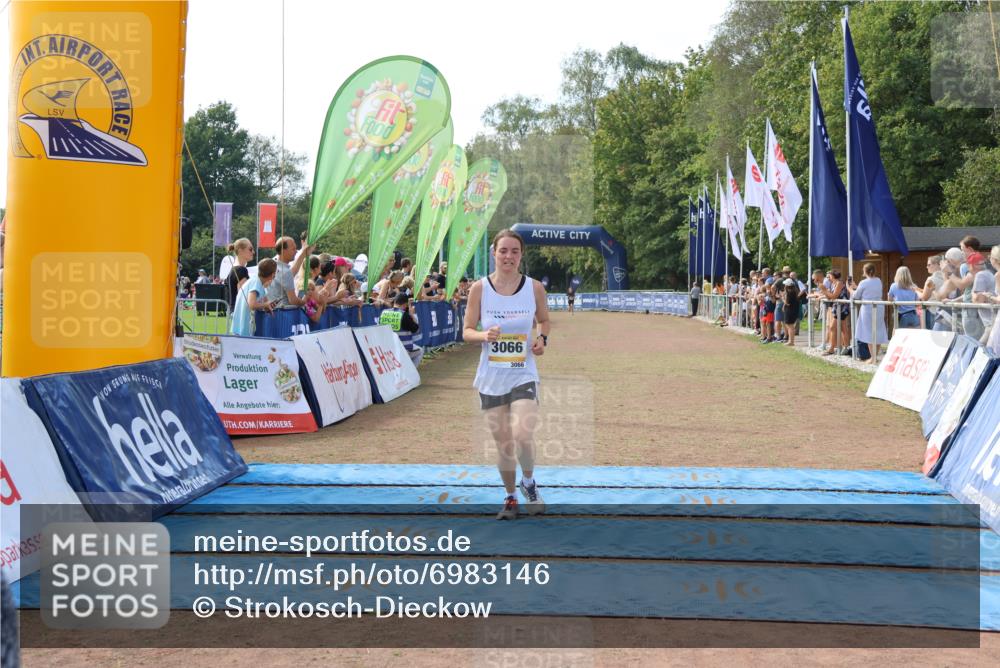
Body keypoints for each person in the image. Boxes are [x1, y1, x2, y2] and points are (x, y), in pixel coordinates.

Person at [463, 229, 550, 521]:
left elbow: (545, 320)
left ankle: (529, 483)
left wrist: (542, 340)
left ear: (521, 255)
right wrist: (484, 335)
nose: (508, 256)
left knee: (523, 435)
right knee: (504, 444)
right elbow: (466, 331)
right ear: (494, 253)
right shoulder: (479, 288)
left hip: (523, 373)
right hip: (491, 377)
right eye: (503, 251)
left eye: (514, 251)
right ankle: (511, 496)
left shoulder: (534, 287)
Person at [850, 263, 888, 363]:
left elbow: (856, 296)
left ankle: (873, 357)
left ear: (865, 271)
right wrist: (857, 286)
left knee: (869, 331)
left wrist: (850, 289)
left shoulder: (864, 282)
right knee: (878, 329)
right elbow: (870, 290)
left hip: (867, 308)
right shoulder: (878, 280)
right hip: (879, 307)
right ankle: (874, 356)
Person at [231, 258, 276, 336]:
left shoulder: (256, 281)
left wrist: (266, 306)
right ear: (272, 274)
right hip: (243, 328)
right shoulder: (256, 282)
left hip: (242, 326)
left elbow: (260, 302)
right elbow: (252, 304)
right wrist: (266, 304)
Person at [267, 236, 312, 309]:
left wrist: (304, 253)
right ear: (283, 250)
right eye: (293, 249)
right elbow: (293, 300)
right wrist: (304, 301)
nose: (296, 251)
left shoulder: (273, 265)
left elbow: (292, 272)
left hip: (272, 313)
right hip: (283, 315)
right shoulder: (285, 272)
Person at [381, 292, 422, 365]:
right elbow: (416, 330)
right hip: (403, 348)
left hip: (386, 348)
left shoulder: (383, 313)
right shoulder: (404, 315)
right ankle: (411, 373)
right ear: (406, 304)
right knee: (420, 351)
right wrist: (412, 315)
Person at [223, 238, 254, 311]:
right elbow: (243, 297)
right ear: (240, 251)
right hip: (239, 312)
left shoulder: (234, 269)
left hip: (233, 311)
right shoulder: (241, 270)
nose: (253, 252)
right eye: (250, 249)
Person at [782, 278, 800, 346]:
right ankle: (790, 341)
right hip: (792, 310)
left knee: (790, 326)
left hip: (790, 310)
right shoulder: (794, 291)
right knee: (789, 325)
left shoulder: (790, 292)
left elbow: (787, 302)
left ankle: (791, 341)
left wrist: (782, 297)